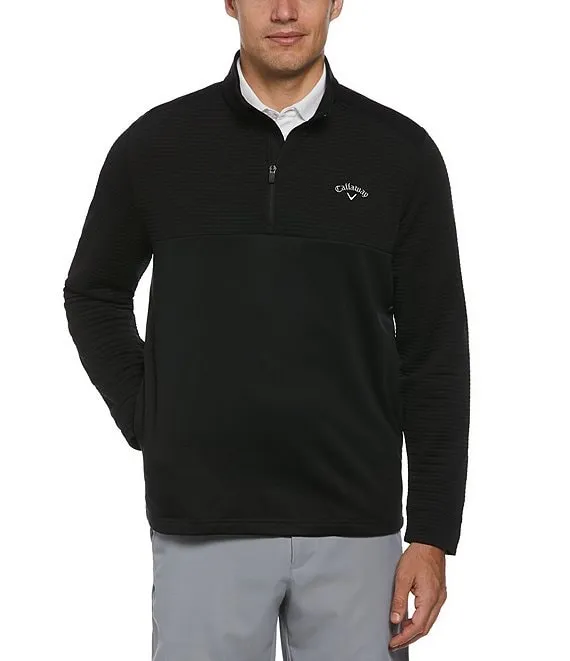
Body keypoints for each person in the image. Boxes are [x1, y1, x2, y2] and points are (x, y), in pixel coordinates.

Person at [63, 1, 470, 658]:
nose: (284, 10)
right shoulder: (157, 145)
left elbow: (436, 350)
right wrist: (149, 413)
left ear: (337, 2)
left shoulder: (402, 154)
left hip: (357, 529)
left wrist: (432, 532)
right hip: (203, 525)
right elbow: (94, 291)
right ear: (230, 1)